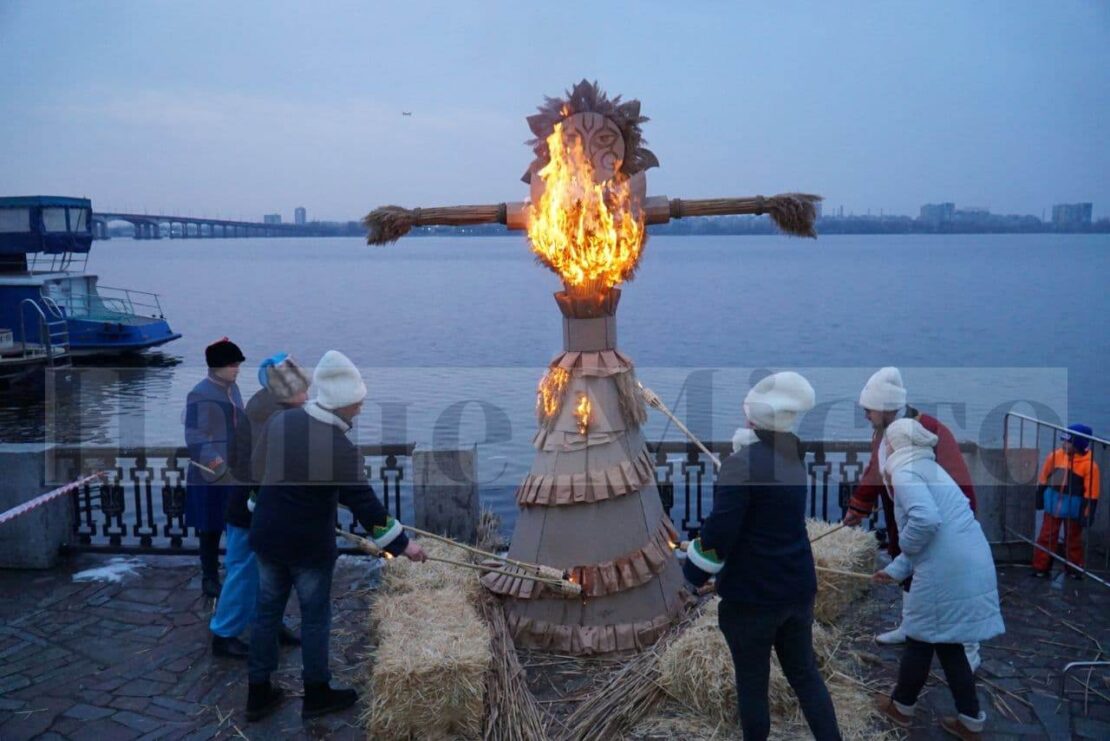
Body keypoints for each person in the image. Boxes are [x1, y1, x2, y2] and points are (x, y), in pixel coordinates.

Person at [246, 350, 427, 722]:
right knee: (315, 618)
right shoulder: (338, 447)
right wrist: (404, 545)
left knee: (266, 614)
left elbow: (257, 472)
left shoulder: (282, 420)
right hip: (307, 547)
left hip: (266, 535)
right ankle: (316, 693)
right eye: (357, 405)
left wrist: (256, 504)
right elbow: (366, 506)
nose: (360, 411)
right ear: (342, 405)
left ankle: (258, 693)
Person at [684, 372, 841, 741]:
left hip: (753, 597)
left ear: (753, 418)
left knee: (752, 684)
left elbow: (720, 535)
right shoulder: (792, 457)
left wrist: (691, 574)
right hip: (797, 588)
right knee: (805, 675)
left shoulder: (742, 465)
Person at [872, 418, 1003, 741]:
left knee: (920, 637)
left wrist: (902, 550)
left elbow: (925, 521)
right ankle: (969, 720)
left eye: (886, 441)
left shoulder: (903, 470)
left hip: (946, 570)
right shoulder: (927, 467)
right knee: (946, 641)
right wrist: (895, 570)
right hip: (966, 560)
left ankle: (901, 707)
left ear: (894, 445)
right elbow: (931, 531)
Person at [842, 367, 978, 662]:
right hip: (902, 510)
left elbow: (956, 476)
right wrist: (858, 506)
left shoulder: (927, 427)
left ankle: (969, 649)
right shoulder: (882, 431)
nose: (865, 413)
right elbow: (875, 473)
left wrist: (963, 515)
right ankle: (909, 626)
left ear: (884, 406)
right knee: (906, 564)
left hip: (938, 515)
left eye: (869, 408)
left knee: (945, 579)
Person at [209, 353, 311, 659]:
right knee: (243, 568)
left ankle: (268, 622)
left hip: (262, 501)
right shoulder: (267, 410)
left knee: (268, 570)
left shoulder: (270, 404)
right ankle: (223, 633)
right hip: (250, 503)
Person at [184, 337, 246, 598]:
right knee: (210, 528)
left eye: (238, 364)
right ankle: (209, 577)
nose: (237, 368)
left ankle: (235, 572)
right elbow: (195, 437)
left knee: (237, 525)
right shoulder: (199, 393)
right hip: (209, 473)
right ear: (217, 367)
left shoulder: (234, 389)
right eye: (232, 364)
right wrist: (218, 465)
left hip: (235, 472)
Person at [1032, 423, 1100, 579]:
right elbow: (1043, 477)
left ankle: (1074, 569)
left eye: (1069, 442)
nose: (1065, 445)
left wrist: (1087, 513)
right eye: (1064, 441)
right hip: (1052, 504)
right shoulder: (1054, 457)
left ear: (1079, 444)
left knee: (1073, 539)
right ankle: (1040, 567)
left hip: (1074, 509)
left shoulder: (1090, 467)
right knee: (1046, 536)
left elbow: (1092, 493)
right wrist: (1039, 497)